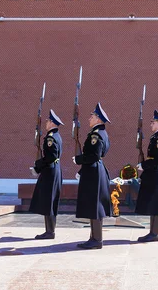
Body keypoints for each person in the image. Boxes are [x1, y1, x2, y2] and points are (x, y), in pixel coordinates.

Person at [73, 102, 111, 249]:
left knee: (95, 206)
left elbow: (93, 156)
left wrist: (78, 160)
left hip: (94, 172)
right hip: (94, 170)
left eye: (92, 116)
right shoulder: (101, 133)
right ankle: (94, 237)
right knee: (94, 205)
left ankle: (97, 240)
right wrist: (81, 171)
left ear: (98, 119)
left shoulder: (96, 135)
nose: (89, 118)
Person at [135, 110, 158, 242]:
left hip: (156, 173)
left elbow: (157, 160)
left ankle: (154, 234)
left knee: (156, 204)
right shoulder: (155, 137)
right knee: (153, 203)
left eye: (153, 122)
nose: (151, 124)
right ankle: (152, 232)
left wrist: (144, 165)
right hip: (153, 172)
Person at [29, 110, 64, 239]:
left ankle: (50, 232)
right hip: (54, 170)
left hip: (50, 171)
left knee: (48, 200)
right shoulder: (56, 136)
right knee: (51, 200)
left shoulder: (50, 137)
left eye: (48, 121)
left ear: (52, 123)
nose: (46, 123)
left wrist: (37, 164)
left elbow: (50, 157)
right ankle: (50, 230)